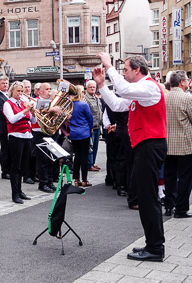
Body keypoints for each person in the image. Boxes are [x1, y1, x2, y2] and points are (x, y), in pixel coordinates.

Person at [93, 52, 167, 262]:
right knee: (145, 196)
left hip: (150, 145)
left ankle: (155, 247)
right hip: (146, 146)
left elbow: (123, 89)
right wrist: (101, 86)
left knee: (148, 197)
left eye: (125, 69)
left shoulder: (149, 86)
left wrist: (108, 66)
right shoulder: (140, 92)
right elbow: (116, 105)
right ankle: (152, 244)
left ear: (137, 70)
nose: (123, 73)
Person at [163, 70, 192, 218]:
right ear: (181, 82)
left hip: (167, 144)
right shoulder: (187, 98)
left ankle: (169, 205)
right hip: (184, 145)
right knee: (185, 178)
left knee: (169, 177)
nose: (188, 82)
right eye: (187, 79)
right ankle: (181, 209)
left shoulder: (164, 98)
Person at [3, 81, 36, 204]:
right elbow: (12, 119)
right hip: (15, 136)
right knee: (15, 166)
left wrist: (33, 111)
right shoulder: (8, 103)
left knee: (23, 166)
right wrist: (25, 110)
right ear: (12, 91)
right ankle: (15, 193)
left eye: (22, 91)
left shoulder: (23, 103)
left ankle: (20, 191)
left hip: (27, 136)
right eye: (18, 91)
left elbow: (32, 120)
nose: (20, 94)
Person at [32, 83, 60, 193]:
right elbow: (38, 112)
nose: (49, 91)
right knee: (42, 159)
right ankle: (43, 183)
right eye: (46, 89)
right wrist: (52, 109)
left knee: (50, 159)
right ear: (40, 91)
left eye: (50, 89)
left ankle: (49, 181)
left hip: (50, 133)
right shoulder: (35, 101)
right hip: (39, 133)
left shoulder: (51, 102)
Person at [69, 86, 93, 187]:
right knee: (84, 156)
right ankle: (84, 179)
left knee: (77, 157)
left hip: (74, 133)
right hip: (84, 132)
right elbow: (90, 119)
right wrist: (90, 128)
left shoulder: (70, 105)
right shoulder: (84, 105)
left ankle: (76, 179)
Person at [84, 80, 102, 171]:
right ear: (86, 88)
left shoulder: (97, 98)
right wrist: (89, 126)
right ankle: (89, 164)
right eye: (90, 87)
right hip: (90, 127)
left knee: (95, 147)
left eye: (94, 87)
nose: (92, 88)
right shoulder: (85, 98)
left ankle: (93, 162)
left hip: (97, 126)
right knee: (90, 147)